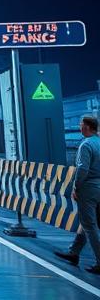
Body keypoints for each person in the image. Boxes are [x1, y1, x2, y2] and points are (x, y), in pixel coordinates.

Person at [54, 115, 100, 274]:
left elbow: (82, 169)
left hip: (89, 188)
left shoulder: (86, 145)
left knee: (90, 225)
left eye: (81, 125)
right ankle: (74, 252)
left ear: (87, 127)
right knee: (88, 222)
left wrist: (76, 188)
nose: (79, 127)